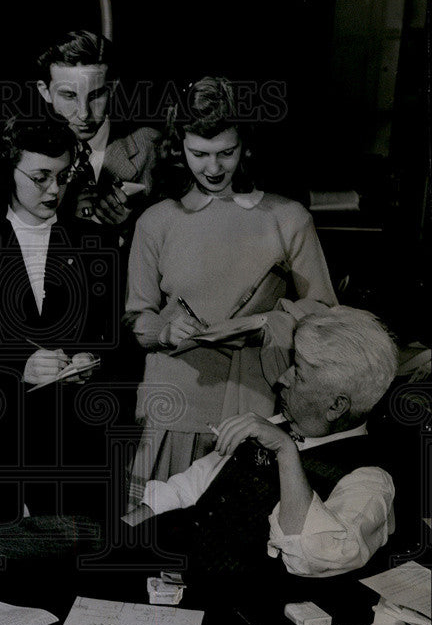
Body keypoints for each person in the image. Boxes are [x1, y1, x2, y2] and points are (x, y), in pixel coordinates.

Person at [125, 76, 338, 509]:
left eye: (226, 152)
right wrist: (166, 331)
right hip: (175, 400)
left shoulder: (288, 217)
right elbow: (137, 319)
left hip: (257, 400)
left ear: (246, 145)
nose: (214, 168)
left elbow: (326, 313)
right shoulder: (156, 221)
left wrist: (266, 321)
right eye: (198, 154)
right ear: (177, 147)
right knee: (157, 536)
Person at [0, 118, 124, 530]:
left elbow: (116, 340)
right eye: (40, 178)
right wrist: (19, 364)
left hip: (74, 448)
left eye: (63, 177)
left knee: (77, 575)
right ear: (6, 173)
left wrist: (91, 358)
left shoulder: (99, 245)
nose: (54, 190)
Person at [125, 306, 398, 597]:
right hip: (173, 573)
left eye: (300, 375)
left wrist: (285, 451)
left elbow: (307, 555)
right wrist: (123, 534)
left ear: (336, 405)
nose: (282, 378)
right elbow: (187, 488)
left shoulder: (369, 482)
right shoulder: (277, 423)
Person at [35, 30, 160, 229]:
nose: (84, 114)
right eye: (69, 96)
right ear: (45, 92)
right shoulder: (25, 154)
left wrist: (131, 228)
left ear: (113, 88)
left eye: (96, 96)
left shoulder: (151, 147)